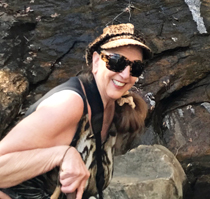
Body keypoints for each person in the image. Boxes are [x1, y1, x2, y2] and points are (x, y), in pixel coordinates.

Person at [0, 23, 151, 199]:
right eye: (116, 62)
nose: (126, 74)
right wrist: (60, 154)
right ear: (96, 61)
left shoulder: (116, 106)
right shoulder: (68, 105)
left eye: (136, 67)